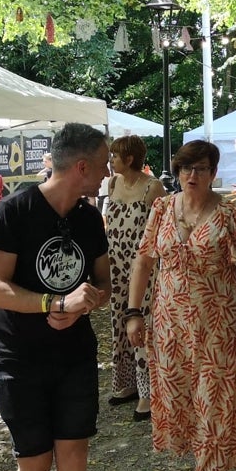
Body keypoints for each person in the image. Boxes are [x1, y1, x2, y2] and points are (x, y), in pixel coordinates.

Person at [0, 123, 113, 471]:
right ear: (81, 167)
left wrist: (88, 302)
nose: (106, 174)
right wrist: (54, 304)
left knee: (73, 454)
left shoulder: (88, 219)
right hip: (18, 357)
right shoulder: (12, 212)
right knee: (33, 470)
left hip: (74, 357)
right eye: (102, 165)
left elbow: (103, 282)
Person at [125, 140, 236, 471]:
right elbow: (145, 260)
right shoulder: (163, 209)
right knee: (182, 395)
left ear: (213, 173)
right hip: (170, 324)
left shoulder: (231, 212)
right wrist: (133, 313)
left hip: (218, 321)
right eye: (185, 169)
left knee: (213, 396)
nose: (191, 176)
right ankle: (202, 465)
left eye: (199, 169)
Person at [101, 135, 166, 420]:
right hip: (115, 265)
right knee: (118, 322)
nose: (111, 160)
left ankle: (148, 392)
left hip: (143, 267)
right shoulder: (113, 184)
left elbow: (164, 231)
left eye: (115, 156)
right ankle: (125, 383)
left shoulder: (153, 188)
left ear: (129, 159)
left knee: (142, 325)